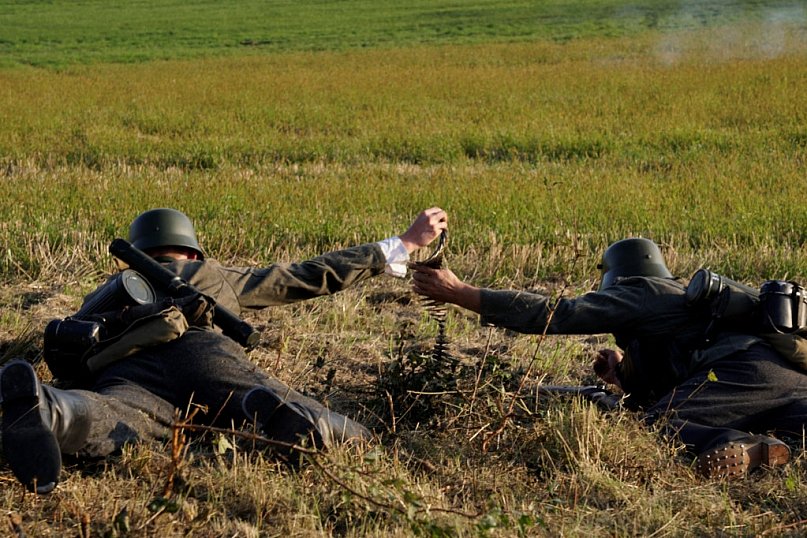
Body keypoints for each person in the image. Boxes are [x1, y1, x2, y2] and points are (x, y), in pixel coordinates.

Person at [1, 206, 448, 494]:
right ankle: (289, 419)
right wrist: (404, 244)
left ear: (133, 254)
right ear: (192, 253)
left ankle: (53, 410)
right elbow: (308, 275)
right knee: (295, 412)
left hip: (126, 372)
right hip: (204, 353)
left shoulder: (107, 290)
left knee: (111, 415)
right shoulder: (206, 274)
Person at [411, 237, 807, 479]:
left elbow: (558, 314)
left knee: (658, 425)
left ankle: (744, 447)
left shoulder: (642, 291)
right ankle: (779, 442)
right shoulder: (680, 301)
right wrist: (623, 374)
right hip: (785, 376)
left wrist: (462, 293)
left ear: (616, 278)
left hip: (738, 369)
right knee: (797, 428)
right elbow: (677, 376)